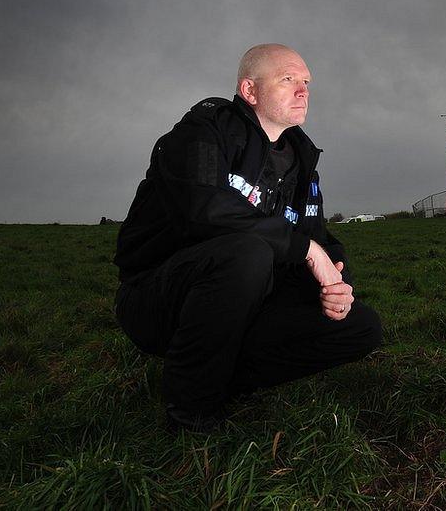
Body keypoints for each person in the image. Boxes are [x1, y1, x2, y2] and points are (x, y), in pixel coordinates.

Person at [113, 44, 383, 432]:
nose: (303, 90)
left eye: (306, 82)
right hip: (158, 297)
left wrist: (338, 285)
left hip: (248, 300)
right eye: (288, 80)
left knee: (361, 327)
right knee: (247, 253)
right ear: (250, 91)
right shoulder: (203, 132)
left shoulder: (301, 161)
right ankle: (191, 412)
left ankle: (220, 376)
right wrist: (305, 249)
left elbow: (317, 237)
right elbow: (202, 210)